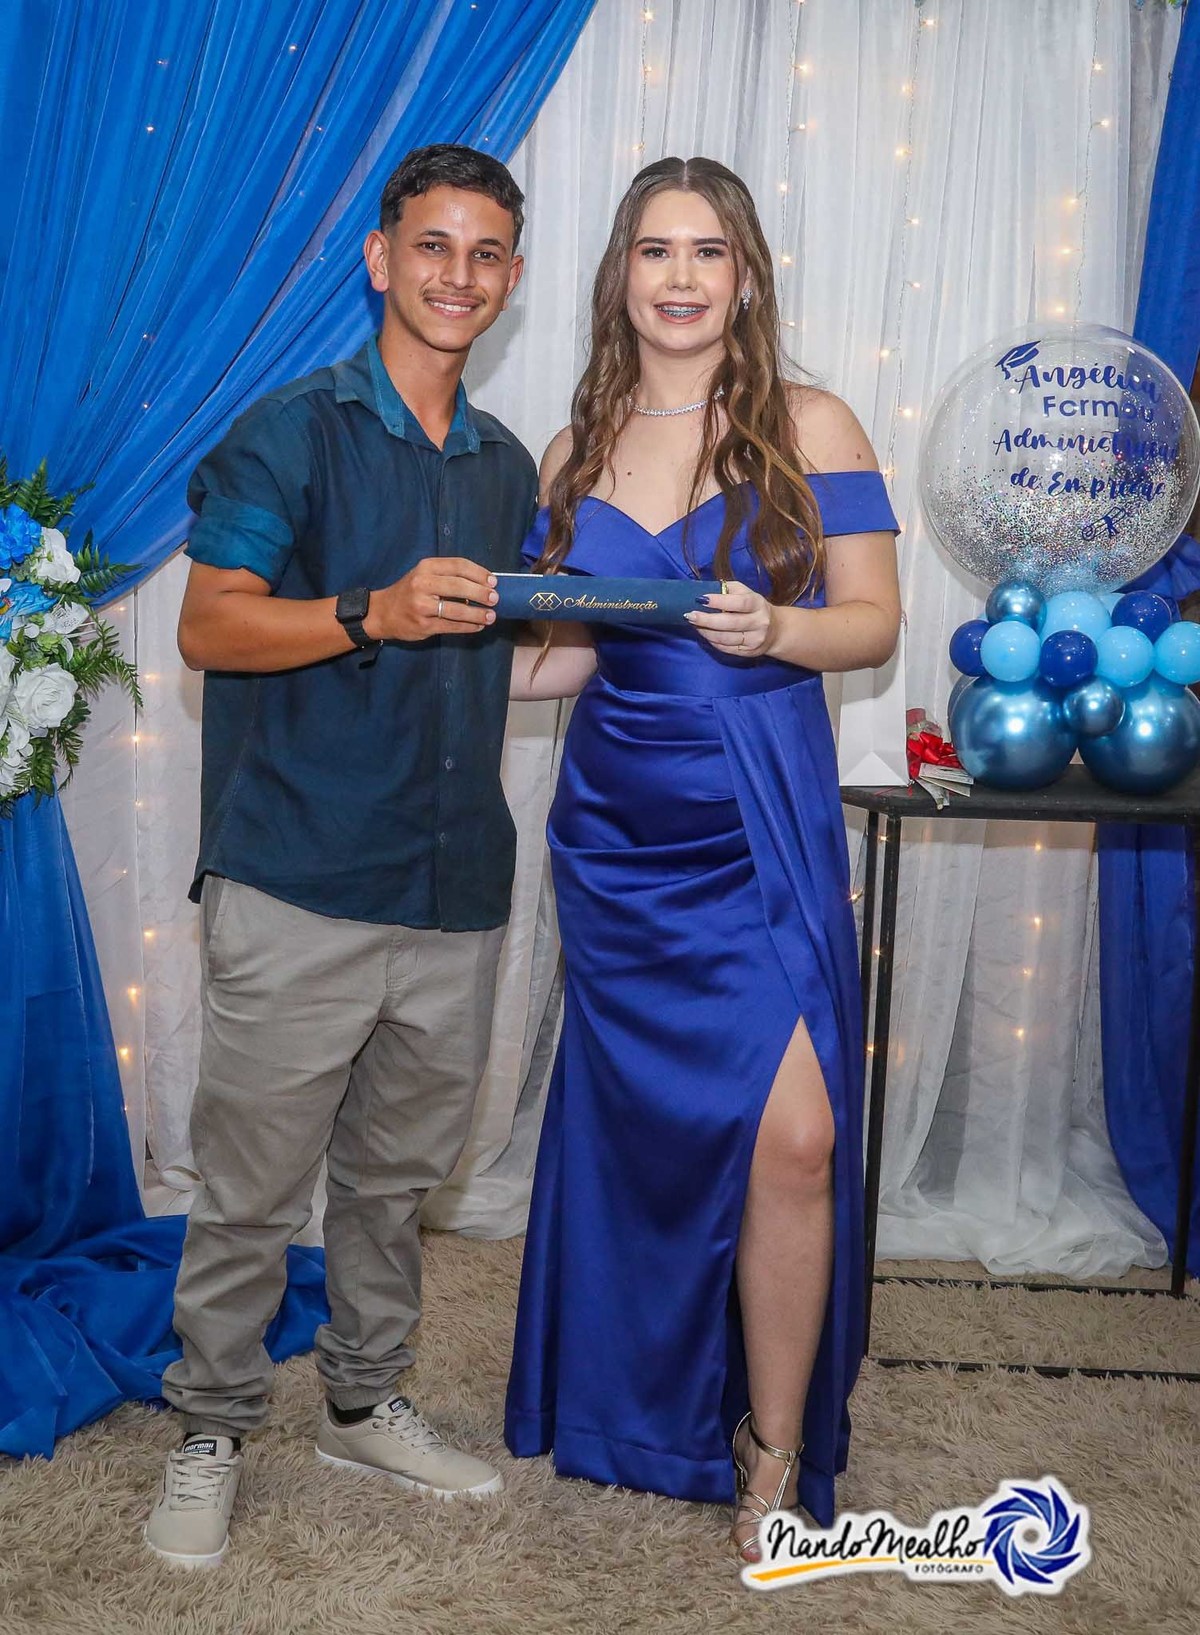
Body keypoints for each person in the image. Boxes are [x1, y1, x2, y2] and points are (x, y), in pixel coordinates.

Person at [503, 156, 901, 1564]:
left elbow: (874, 623)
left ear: (746, 275)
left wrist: (776, 630)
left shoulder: (812, 423)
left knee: (797, 1139)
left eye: (708, 251)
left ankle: (773, 1446)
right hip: (621, 834)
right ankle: (642, 1408)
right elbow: (567, 658)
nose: (680, 277)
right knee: (651, 1134)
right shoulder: (574, 447)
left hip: (760, 813)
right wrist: (438, 659)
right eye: (655, 250)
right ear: (621, 273)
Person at [145, 144, 537, 1568]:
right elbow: (208, 627)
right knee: (251, 1189)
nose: (457, 276)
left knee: (394, 1182)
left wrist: (672, 638)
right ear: (381, 259)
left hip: (453, 884)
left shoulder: (507, 466)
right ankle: (210, 1425)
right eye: (433, 246)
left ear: (511, 277)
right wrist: (372, 609)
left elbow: (505, 663)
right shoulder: (289, 430)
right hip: (297, 873)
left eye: (485, 254)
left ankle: (365, 1402)